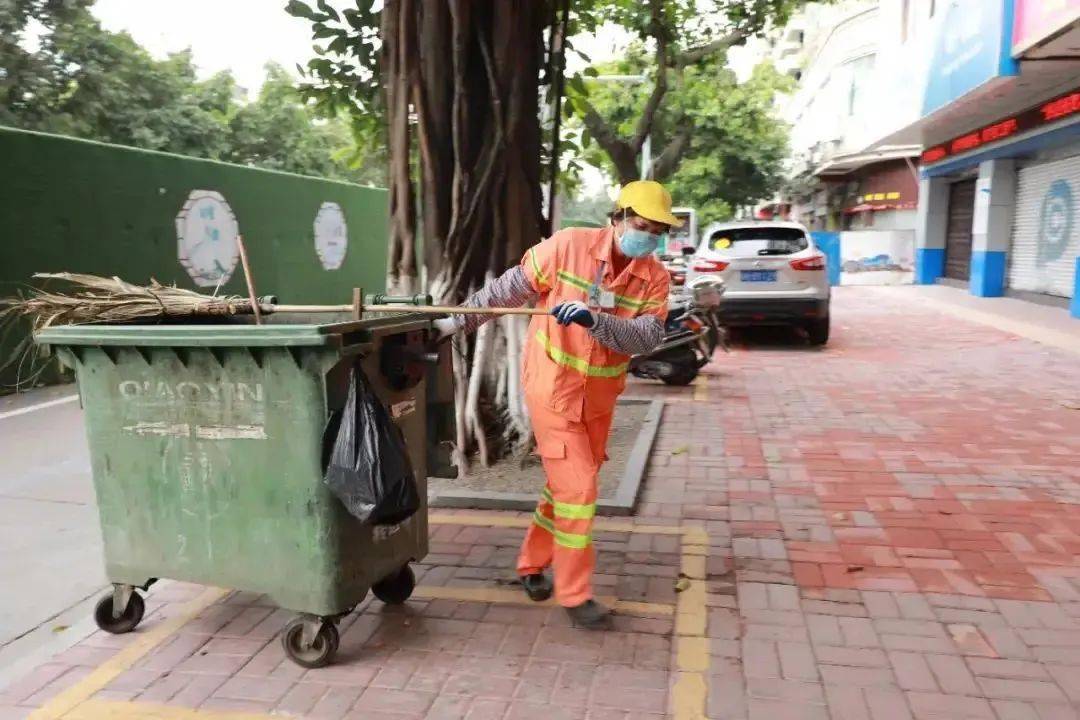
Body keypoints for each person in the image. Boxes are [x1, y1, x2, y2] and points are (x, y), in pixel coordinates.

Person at [435, 180, 679, 629]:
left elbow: (648, 337)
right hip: (553, 388)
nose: (649, 237)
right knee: (580, 490)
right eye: (643, 225)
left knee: (564, 487)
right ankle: (575, 594)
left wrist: (596, 320)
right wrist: (454, 323)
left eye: (657, 230)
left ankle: (531, 564)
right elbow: (508, 291)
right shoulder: (568, 247)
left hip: (600, 398)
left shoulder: (655, 277)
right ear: (619, 217)